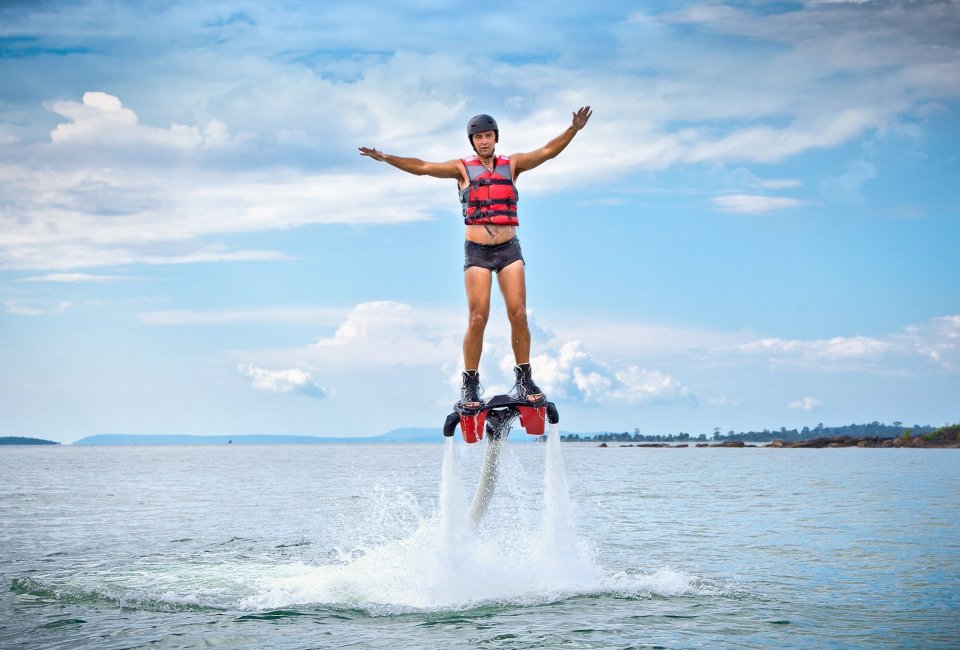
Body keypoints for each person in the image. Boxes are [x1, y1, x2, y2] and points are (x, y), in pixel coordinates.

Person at [359, 106, 592, 412]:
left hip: (509, 249)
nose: (484, 141)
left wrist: (573, 129)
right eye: (478, 137)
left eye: (488, 135)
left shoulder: (514, 164)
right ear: (472, 141)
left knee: (518, 313)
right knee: (477, 317)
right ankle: (470, 384)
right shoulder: (461, 169)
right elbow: (422, 166)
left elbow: (548, 151)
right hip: (478, 251)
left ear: (496, 138)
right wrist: (387, 158)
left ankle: (524, 379)